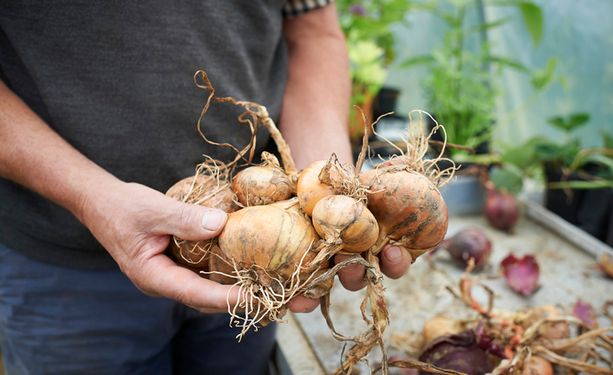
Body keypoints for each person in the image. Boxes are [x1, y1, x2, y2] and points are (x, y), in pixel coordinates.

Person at [0, 1, 414, 374]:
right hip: (65, 266)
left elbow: (313, 30)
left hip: (255, 269)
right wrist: (87, 195)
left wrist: (325, 186)